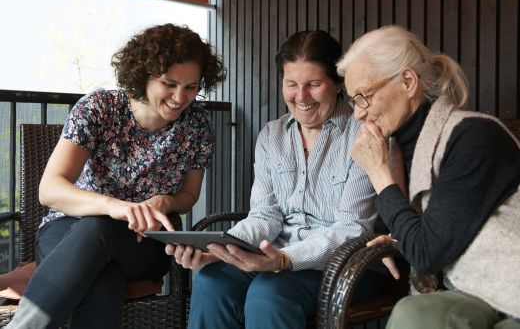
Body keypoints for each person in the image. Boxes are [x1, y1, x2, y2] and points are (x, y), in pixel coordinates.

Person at [7, 23, 226, 328]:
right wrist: (116, 207)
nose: (180, 97)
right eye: (169, 83)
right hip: (69, 229)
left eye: (191, 87)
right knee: (102, 274)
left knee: (100, 235)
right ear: (143, 76)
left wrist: (165, 201)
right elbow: (50, 189)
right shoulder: (98, 108)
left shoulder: (198, 123)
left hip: (146, 240)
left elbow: (188, 197)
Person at [167, 30, 387, 329]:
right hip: (276, 255)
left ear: (338, 84)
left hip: (348, 263)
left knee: (268, 294)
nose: (301, 96)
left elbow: (352, 229)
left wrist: (284, 260)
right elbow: (265, 215)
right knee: (212, 280)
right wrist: (223, 249)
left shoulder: (363, 135)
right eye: (291, 84)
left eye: (314, 84)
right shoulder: (272, 135)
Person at [336, 25, 520, 328]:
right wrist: (401, 237)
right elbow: (420, 235)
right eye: (353, 100)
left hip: (505, 283)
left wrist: (379, 174)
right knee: (416, 314)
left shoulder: (474, 137)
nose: (358, 113)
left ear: (408, 81)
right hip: (463, 285)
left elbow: (426, 254)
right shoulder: (395, 150)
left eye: (365, 96)